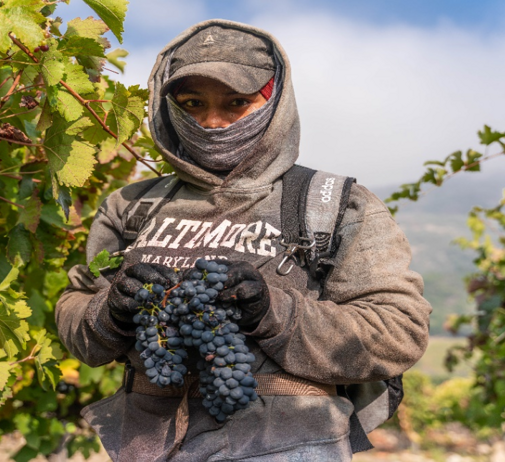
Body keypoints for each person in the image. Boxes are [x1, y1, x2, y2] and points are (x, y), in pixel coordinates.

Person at [55, 19, 431, 461]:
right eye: (192, 103)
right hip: (146, 446)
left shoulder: (335, 205)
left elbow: (398, 332)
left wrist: (275, 311)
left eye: (237, 102)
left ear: (274, 101)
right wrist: (109, 311)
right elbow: (76, 313)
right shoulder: (131, 206)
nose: (212, 123)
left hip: (292, 445)